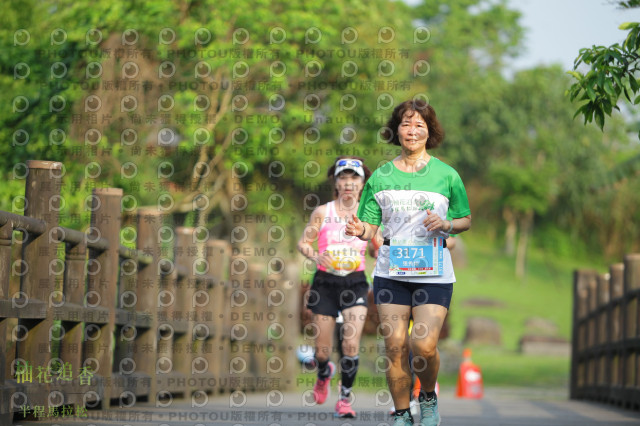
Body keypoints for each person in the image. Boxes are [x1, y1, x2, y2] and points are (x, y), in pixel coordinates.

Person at [346, 100, 471, 426]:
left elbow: (465, 219)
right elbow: (369, 227)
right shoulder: (382, 176)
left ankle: (427, 397)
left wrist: (446, 225)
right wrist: (360, 229)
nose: (412, 131)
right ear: (396, 130)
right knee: (396, 346)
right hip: (391, 271)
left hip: (434, 271)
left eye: (419, 125)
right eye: (406, 124)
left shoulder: (447, 175)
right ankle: (402, 414)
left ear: (430, 131)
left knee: (424, 344)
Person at [297, 156, 381, 419]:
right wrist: (314, 256)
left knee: (350, 343)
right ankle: (324, 373)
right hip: (325, 282)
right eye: (343, 177)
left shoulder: (368, 215)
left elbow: (376, 244)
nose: (348, 183)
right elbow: (304, 243)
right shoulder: (323, 212)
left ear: (362, 183)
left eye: (354, 178)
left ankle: (344, 399)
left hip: (355, 282)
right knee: (322, 350)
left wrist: (378, 250)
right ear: (335, 181)